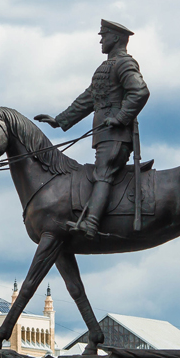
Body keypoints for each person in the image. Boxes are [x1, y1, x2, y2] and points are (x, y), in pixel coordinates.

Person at [36, 19, 150, 239]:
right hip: (104, 133)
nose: (101, 40)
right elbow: (89, 99)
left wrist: (120, 117)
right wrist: (60, 120)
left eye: (104, 35)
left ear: (116, 38)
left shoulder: (125, 63)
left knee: (103, 173)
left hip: (116, 134)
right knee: (102, 172)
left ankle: (91, 223)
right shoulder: (107, 66)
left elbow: (140, 92)